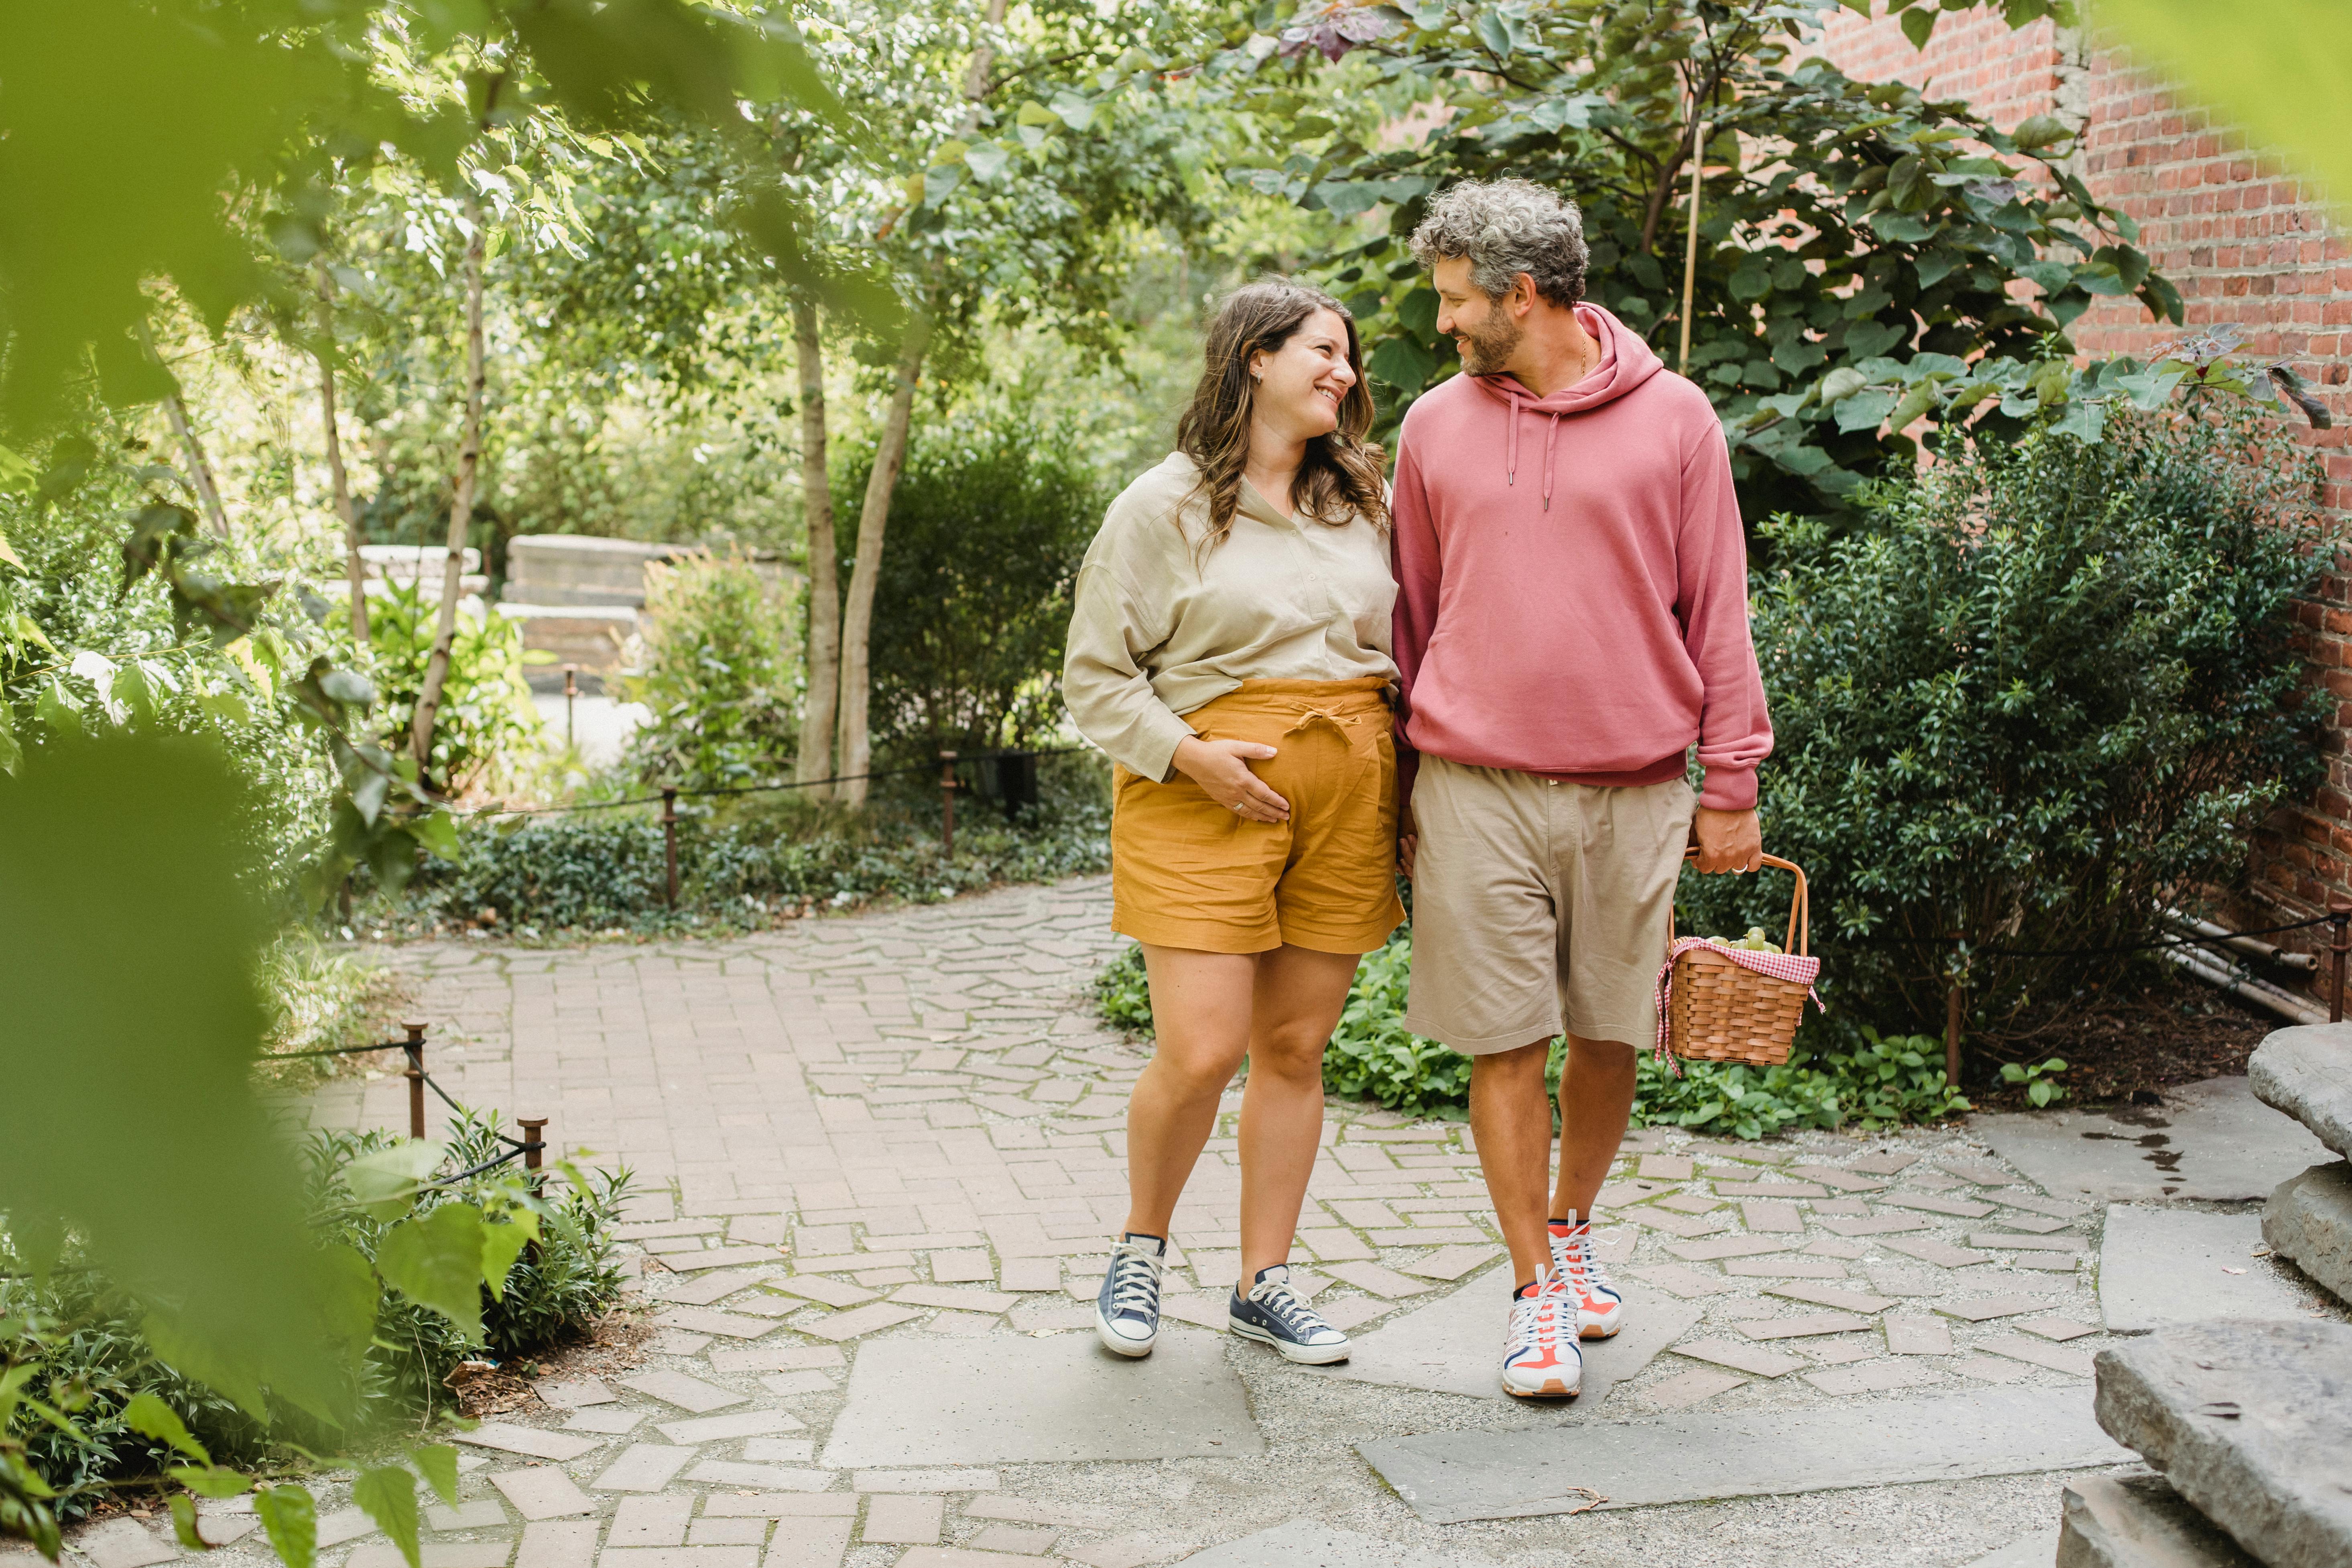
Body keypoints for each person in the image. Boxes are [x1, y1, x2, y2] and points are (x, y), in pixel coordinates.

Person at [1390, 179, 1773, 1397]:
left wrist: (1733, 780)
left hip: (1634, 786)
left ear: (1524, 293)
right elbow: (1411, 614)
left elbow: (1719, 610)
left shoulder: (1677, 419)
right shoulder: (1432, 427)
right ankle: (1533, 1295)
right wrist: (1398, 783)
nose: (1446, 324)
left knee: (1608, 1035)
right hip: (1474, 784)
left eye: (1458, 301)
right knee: (1505, 1041)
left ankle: (1569, 1226)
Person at [1063, 280, 1403, 1367]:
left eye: (1347, 357)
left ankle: (1266, 1282)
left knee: (1296, 1046)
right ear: (1252, 358)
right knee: (1204, 1047)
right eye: (1321, 350)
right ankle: (1141, 1246)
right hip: (1200, 787)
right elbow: (1094, 678)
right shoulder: (1160, 507)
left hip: (1348, 784)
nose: (1343, 372)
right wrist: (1190, 755)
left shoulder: (1363, 500)